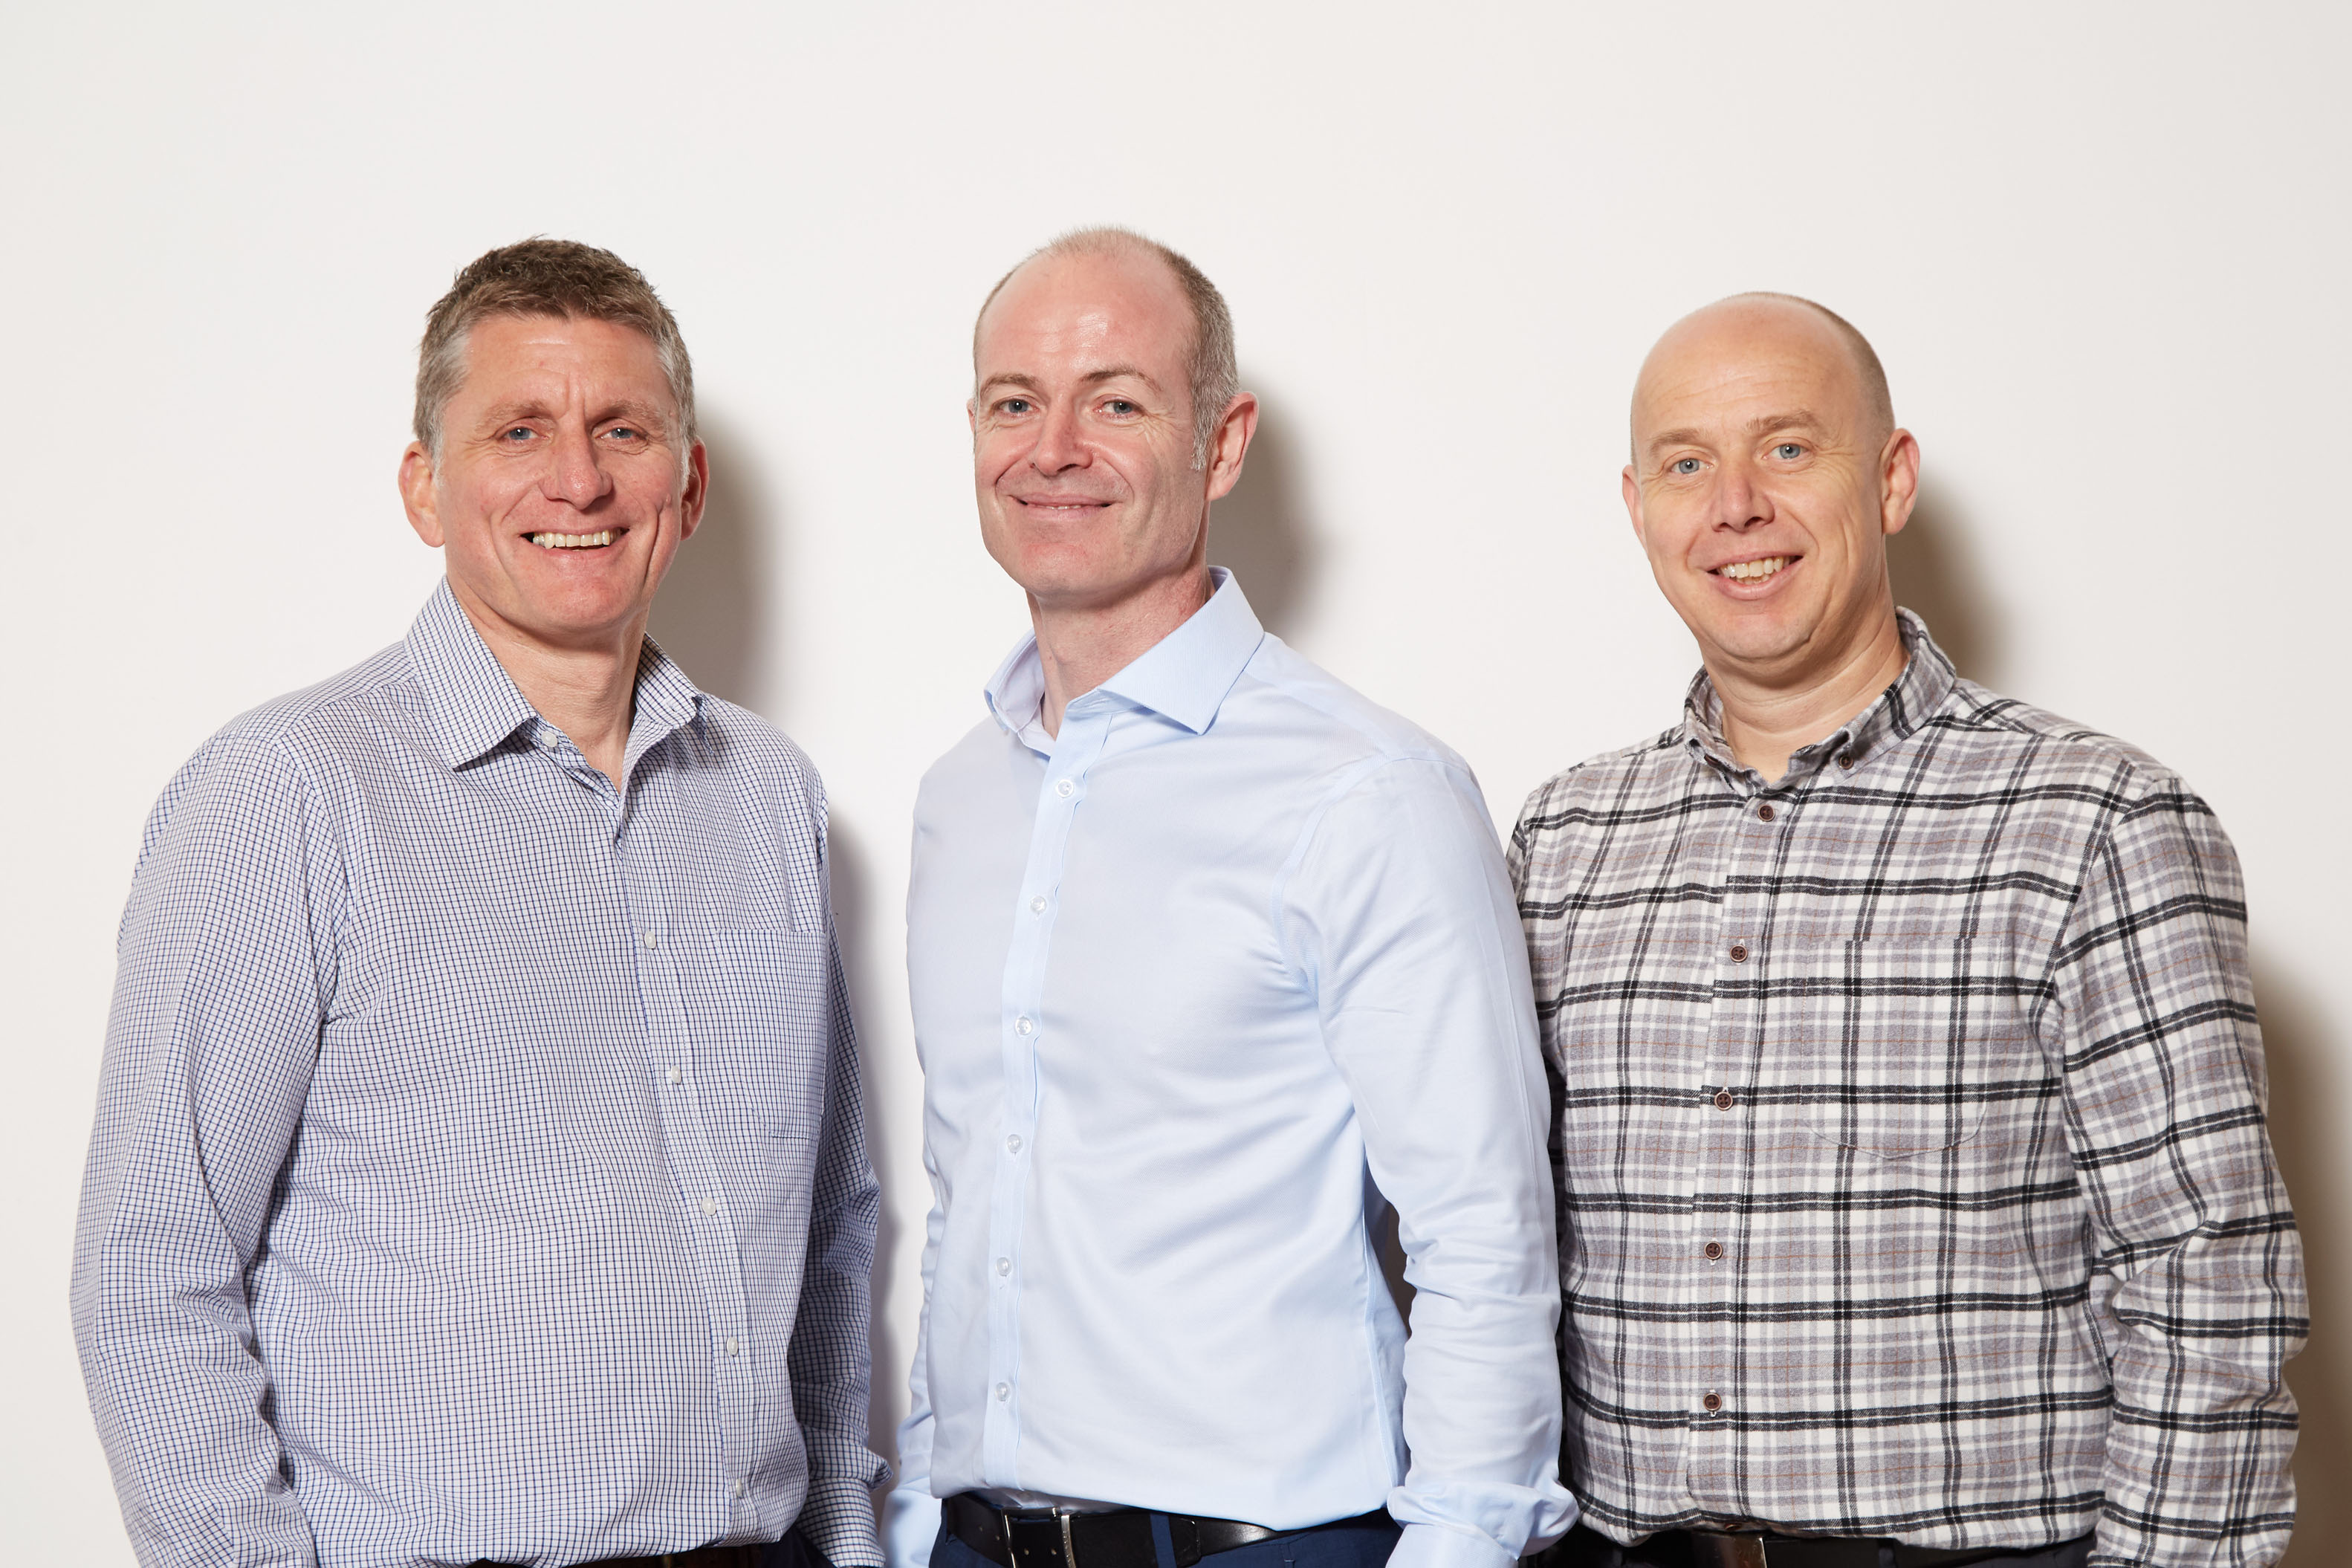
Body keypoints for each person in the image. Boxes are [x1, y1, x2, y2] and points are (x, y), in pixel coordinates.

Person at [71, 239, 885, 1568]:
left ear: (686, 486)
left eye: (623, 429)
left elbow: (829, 1228)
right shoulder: (290, 792)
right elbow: (150, 1271)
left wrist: (845, 1539)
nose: (579, 478)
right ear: (424, 486)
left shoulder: (767, 792)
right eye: (519, 430)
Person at [1510, 294, 2306, 1567]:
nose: (1734, 507)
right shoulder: (1563, 839)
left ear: (1888, 480)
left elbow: (2206, 1276)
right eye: (1685, 464)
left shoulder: (2093, 820)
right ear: (1636, 507)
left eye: (1785, 447)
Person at [882, 228, 1577, 1568]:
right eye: (1014, 402)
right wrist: (917, 1519)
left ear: (1222, 442)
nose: (1052, 449)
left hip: (1262, 1547)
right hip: (976, 1543)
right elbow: (973, 1198)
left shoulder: (1368, 791)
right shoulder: (959, 798)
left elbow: (1481, 1234)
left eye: (1116, 402)